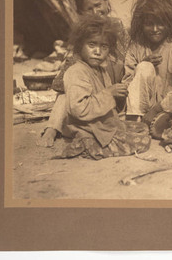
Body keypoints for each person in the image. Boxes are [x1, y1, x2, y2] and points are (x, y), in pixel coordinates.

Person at [38, 0, 128, 147]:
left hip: (117, 89)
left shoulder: (119, 28)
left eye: (98, 5)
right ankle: (52, 128)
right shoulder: (83, 38)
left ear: (107, 3)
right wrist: (78, 63)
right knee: (68, 89)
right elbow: (59, 84)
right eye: (88, 9)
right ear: (80, 13)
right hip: (91, 95)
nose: (95, 12)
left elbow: (129, 59)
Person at [58, 15, 150, 160]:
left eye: (104, 47)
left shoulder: (101, 70)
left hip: (102, 125)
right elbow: (78, 109)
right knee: (143, 142)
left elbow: (106, 105)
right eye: (92, 45)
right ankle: (86, 146)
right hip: (88, 130)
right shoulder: (76, 72)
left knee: (143, 128)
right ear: (80, 45)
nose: (98, 51)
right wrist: (109, 93)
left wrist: (117, 96)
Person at [123, 0, 172, 120]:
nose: (155, 29)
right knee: (144, 67)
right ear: (141, 24)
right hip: (141, 108)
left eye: (160, 24)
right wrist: (142, 65)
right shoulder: (136, 47)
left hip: (169, 106)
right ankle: (136, 120)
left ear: (169, 23)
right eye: (149, 24)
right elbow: (126, 83)